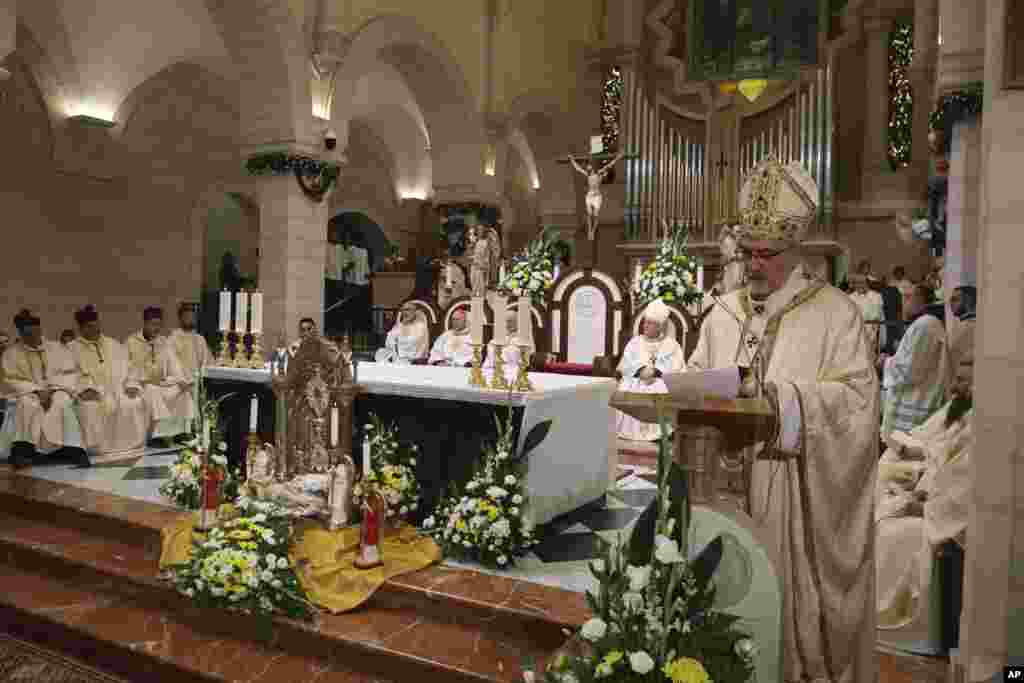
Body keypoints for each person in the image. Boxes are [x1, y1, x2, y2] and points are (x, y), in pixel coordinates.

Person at [678, 157, 879, 682]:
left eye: (767, 254)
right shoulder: (723, 311)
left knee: (774, 613)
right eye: (749, 253)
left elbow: (857, 401)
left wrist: (785, 399)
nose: (755, 265)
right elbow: (697, 375)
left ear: (797, 251)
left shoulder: (836, 314)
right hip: (715, 488)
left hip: (788, 491)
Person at [875, 357, 974, 642]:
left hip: (949, 523)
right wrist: (922, 493)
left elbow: (963, 488)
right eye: (958, 379)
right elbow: (944, 465)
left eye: (964, 381)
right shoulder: (959, 411)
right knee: (885, 518)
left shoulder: (982, 426)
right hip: (936, 504)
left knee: (894, 533)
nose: (955, 387)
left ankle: (897, 619)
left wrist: (922, 505)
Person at [1, 310, 87, 468]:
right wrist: (36, 390)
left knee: (62, 403)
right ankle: (24, 451)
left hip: (57, 389)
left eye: (34, 332)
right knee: (27, 404)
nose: (32, 338)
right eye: (26, 334)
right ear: (20, 332)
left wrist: (53, 390)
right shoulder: (11, 353)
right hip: (29, 392)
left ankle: (72, 450)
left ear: (40, 330)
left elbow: (70, 372)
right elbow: (10, 379)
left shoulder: (57, 348)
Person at [67, 305, 149, 466]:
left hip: (118, 389)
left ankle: (131, 445)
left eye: (97, 324)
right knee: (90, 407)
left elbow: (130, 367)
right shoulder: (72, 349)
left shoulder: (113, 344)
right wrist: (83, 390)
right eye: (90, 326)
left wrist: (131, 384)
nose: (95, 329)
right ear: (81, 328)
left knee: (133, 402)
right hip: (91, 392)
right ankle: (97, 449)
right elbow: (68, 375)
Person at [881, 284, 949, 442]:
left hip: (916, 405)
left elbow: (910, 369)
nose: (904, 302)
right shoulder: (925, 323)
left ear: (921, 300)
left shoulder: (925, 325)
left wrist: (884, 362)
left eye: (908, 297)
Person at [614, 298, 686, 442]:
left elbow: (678, 370)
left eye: (650, 323)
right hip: (636, 380)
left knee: (659, 387)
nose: (645, 326)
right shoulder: (635, 343)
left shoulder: (672, 345)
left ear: (660, 326)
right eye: (645, 322)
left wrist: (657, 371)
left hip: (660, 383)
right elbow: (624, 366)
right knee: (628, 386)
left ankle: (660, 432)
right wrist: (640, 370)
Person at [124, 307, 194, 446]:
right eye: (153, 324)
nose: (157, 328)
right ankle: (158, 436)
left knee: (182, 391)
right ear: (145, 323)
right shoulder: (131, 342)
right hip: (142, 385)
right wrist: (135, 383)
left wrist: (181, 380)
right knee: (152, 390)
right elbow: (126, 367)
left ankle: (181, 432)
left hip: (161, 384)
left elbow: (174, 364)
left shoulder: (164, 342)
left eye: (159, 325)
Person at [482, 310, 534, 381]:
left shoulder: (524, 340)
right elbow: (488, 361)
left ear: (518, 322)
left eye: (511, 321)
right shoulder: (494, 340)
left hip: (513, 375)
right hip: (492, 374)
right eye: (506, 321)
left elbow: (526, 362)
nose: (508, 324)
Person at [167, 302, 213, 379]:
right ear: (180, 318)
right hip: (180, 382)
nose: (190, 319)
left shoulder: (200, 339)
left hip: (198, 381)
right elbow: (172, 364)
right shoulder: (173, 340)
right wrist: (183, 378)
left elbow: (207, 361)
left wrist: (201, 375)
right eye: (187, 317)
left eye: (193, 317)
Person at [947, 285, 976, 389]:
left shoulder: (972, 326)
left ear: (968, 301)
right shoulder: (960, 326)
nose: (950, 303)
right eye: (950, 300)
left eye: (955, 300)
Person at [848, 273, 885, 354]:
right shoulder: (850, 298)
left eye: (862, 282)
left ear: (867, 283)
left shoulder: (876, 296)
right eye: (857, 283)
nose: (859, 285)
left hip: (870, 329)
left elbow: (876, 316)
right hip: (854, 330)